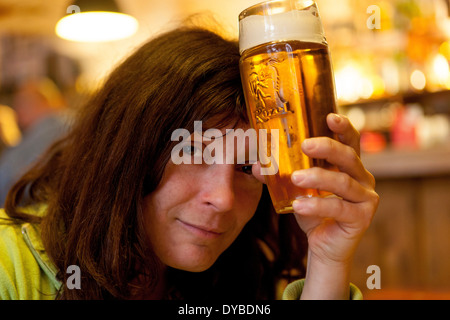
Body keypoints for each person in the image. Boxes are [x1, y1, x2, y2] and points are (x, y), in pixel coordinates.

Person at [0, 26, 379, 300]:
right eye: (195, 152)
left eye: (248, 167)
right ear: (126, 148)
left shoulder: (243, 273)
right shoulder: (10, 270)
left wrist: (327, 260)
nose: (224, 199)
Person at [0, 78, 70, 204]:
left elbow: (9, 180)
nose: (17, 113)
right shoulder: (73, 124)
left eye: (20, 104)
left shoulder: (51, 127)